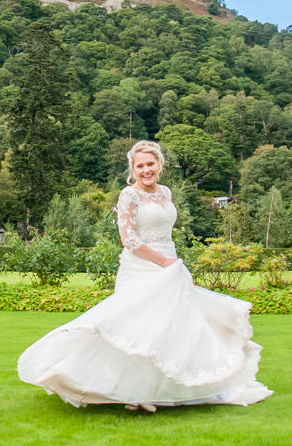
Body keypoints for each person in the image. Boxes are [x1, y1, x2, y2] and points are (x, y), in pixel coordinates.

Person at [17, 139, 272, 411]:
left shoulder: (166, 192)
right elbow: (129, 239)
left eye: (150, 164)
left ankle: (158, 389)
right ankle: (122, 388)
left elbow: (165, 229)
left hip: (170, 263)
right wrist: (164, 262)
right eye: (140, 165)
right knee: (135, 327)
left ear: (159, 164)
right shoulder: (129, 195)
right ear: (133, 169)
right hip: (142, 266)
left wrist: (172, 261)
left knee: (171, 328)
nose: (146, 169)